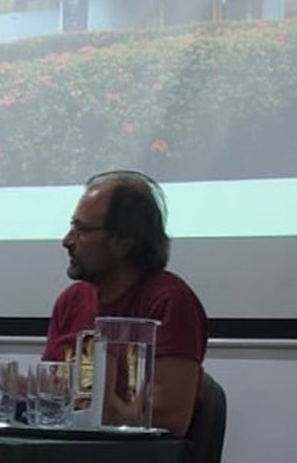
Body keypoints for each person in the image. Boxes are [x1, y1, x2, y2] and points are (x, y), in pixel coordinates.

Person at [43, 171, 207, 435]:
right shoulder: (71, 301)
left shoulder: (169, 301)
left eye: (81, 230)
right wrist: (30, 392)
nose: (67, 241)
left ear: (124, 241)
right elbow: (52, 400)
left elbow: (171, 421)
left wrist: (108, 407)